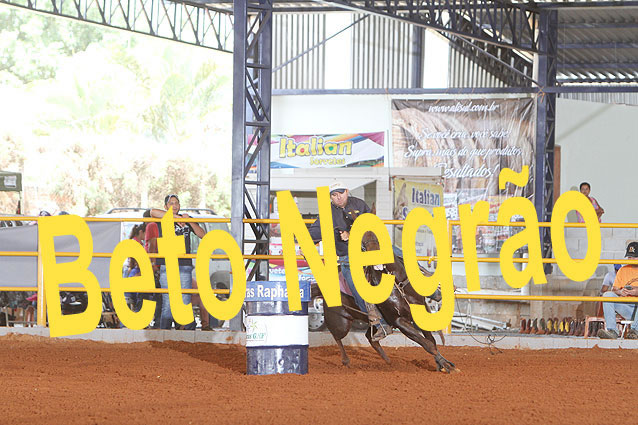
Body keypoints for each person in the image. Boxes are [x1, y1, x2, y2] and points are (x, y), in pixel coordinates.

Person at [308, 181, 392, 341]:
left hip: (370, 249)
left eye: (340, 193)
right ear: (331, 197)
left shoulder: (359, 204)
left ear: (347, 191)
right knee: (356, 285)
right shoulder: (327, 213)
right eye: (334, 195)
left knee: (399, 255)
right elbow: (315, 231)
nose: (338, 197)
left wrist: (351, 234)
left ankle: (430, 287)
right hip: (348, 257)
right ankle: (378, 322)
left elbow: (372, 225)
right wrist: (305, 242)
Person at [150, 194, 205, 330]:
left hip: (184, 265)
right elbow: (152, 211)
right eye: (171, 203)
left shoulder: (187, 218)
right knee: (168, 302)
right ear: (165, 206)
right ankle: (165, 334)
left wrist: (189, 221)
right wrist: (177, 218)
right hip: (167, 264)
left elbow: (202, 234)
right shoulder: (163, 218)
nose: (174, 205)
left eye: (177, 203)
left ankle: (187, 334)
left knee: (185, 300)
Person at [597, 242, 638, 339]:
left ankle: (634, 331)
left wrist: (636, 291)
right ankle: (612, 331)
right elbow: (614, 289)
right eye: (629, 257)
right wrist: (620, 292)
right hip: (627, 307)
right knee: (607, 295)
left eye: (634, 257)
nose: (631, 260)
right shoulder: (623, 270)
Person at [143, 209, 162, 329]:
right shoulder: (160, 225)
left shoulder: (151, 225)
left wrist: (153, 264)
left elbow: (152, 245)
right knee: (159, 295)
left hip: (152, 266)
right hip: (159, 265)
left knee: (146, 295)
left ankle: (144, 320)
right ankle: (158, 322)